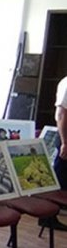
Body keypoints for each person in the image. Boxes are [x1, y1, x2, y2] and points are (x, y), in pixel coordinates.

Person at [40, 75, 67, 230]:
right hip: (66, 139)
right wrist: (65, 143)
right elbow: (61, 114)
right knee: (58, 179)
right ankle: (47, 217)